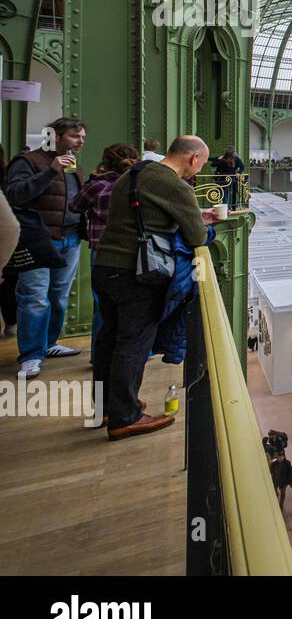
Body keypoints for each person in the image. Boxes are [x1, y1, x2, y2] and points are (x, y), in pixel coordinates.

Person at [91, 135, 218, 439]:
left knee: (108, 339)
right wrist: (208, 227)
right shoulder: (175, 185)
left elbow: (147, 215)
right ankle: (126, 416)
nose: (197, 172)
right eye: (200, 164)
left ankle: (106, 407)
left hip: (105, 265)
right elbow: (197, 237)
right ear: (193, 158)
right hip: (136, 274)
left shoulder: (132, 175)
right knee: (133, 343)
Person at [6, 117, 88, 379]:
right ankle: (31, 356)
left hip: (70, 239)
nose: (81, 141)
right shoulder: (28, 161)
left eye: (83, 137)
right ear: (56, 136)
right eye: (76, 136)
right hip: (39, 240)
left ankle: (49, 343)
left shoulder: (74, 166)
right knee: (34, 298)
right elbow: (16, 195)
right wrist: (51, 170)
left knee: (58, 296)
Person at [70, 143, 139, 366]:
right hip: (133, 250)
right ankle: (133, 355)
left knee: (103, 305)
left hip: (102, 251)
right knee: (133, 304)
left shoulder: (96, 185)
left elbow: (74, 206)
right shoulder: (137, 185)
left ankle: (100, 356)